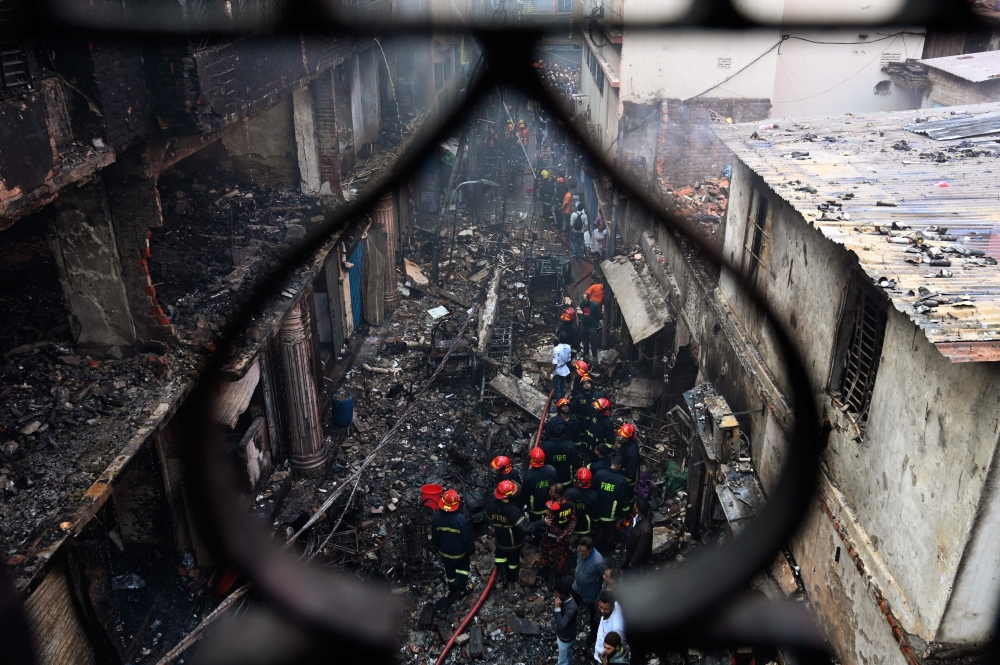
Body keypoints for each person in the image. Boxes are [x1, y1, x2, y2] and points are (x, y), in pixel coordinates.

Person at [486, 480, 543, 586]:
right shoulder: (512, 510)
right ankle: (512, 579)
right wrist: (542, 522)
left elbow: (489, 518)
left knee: (500, 557)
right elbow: (526, 527)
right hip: (513, 543)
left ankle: (503, 574)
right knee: (513, 562)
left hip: (499, 540)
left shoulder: (490, 505)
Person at [431, 489, 475, 610]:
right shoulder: (460, 519)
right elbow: (467, 537)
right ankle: (459, 589)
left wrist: (434, 545)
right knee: (463, 569)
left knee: (449, 571)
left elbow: (435, 537)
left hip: (444, 553)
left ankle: (451, 587)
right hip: (459, 554)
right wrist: (471, 549)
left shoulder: (437, 518)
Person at [572, 537, 610, 650]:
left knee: (594, 616)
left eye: (583, 551)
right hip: (577, 588)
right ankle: (569, 625)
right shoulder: (580, 552)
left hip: (591, 593)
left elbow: (606, 575)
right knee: (570, 606)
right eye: (580, 550)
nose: (580, 552)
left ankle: (593, 633)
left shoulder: (598, 561)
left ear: (590, 549)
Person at [593, 457, 628, 555]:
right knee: (610, 532)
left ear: (612, 462)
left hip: (598, 511)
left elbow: (592, 490)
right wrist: (625, 513)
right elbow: (623, 499)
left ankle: (598, 548)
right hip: (611, 514)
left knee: (599, 530)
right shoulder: (621, 480)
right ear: (620, 466)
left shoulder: (599, 473)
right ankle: (608, 550)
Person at [540, 499, 576, 578]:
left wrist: (560, 535)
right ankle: (560, 572)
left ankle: (545, 569)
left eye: (552, 492)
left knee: (544, 549)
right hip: (564, 536)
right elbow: (573, 521)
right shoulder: (570, 504)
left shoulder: (551, 506)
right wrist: (563, 535)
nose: (550, 493)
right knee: (562, 553)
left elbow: (550, 523)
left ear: (556, 494)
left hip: (551, 536)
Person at [525, 447, 559, 521]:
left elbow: (525, 492)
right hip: (549, 504)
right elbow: (556, 484)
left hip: (534, 507)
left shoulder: (528, 474)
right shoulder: (551, 470)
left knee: (535, 525)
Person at [623, 496, 653, 577]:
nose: (633, 506)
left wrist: (633, 562)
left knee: (633, 575)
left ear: (637, 509)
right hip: (630, 550)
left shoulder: (645, 530)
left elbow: (641, 548)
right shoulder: (639, 516)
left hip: (636, 558)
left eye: (635, 505)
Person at [594, 591, 627, 664]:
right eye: (600, 607)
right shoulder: (609, 607)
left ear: (612, 606)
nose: (602, 611)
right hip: (601, 651)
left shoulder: (617, 627)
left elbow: (621, 647)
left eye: (606, 609)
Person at [565, 467, 597, 537]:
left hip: (570, 526)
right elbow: (595, 515)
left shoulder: (569, 492)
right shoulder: (594, 494)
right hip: (586, 526)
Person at [554, 578, 579, 665]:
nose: (554, 595)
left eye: (557, 594)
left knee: (562, 661)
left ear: (563, 595)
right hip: (565, 634)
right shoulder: (564, 600)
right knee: (567, 654)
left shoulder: (571, 608)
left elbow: (562, 624)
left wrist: (557, 607)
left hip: (566, 638)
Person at [616, 423, 640, 501]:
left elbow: (631, 469)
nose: (621, 437)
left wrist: (624, 480)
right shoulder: (626, 442)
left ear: (629, 437)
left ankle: (629, 507)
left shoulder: (632, 452)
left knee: (628, 494)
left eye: (623, 436)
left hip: (630, 477)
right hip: (624, 469)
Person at [549, 334, 572, 403]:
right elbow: (568, 360)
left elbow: (555, 363)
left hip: (558, 371)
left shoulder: (556, 349)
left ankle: (558, 402)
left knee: (557, 388)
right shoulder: (568, 347)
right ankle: (563, 400)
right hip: (565, 369)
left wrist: (549, 372)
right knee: (563, 386)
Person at [579, 291, 602, 360]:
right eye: (584, 302)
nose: (585, 303)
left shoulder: (594, 305)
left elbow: (599, 313)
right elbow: (583, 311)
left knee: (593, 341)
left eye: (586, 302)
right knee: (584, 339)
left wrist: (595, 321)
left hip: (592, 325)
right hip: (584, 324)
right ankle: (586, 352)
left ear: (589, 299)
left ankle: (594, 356)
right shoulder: (581, 304)